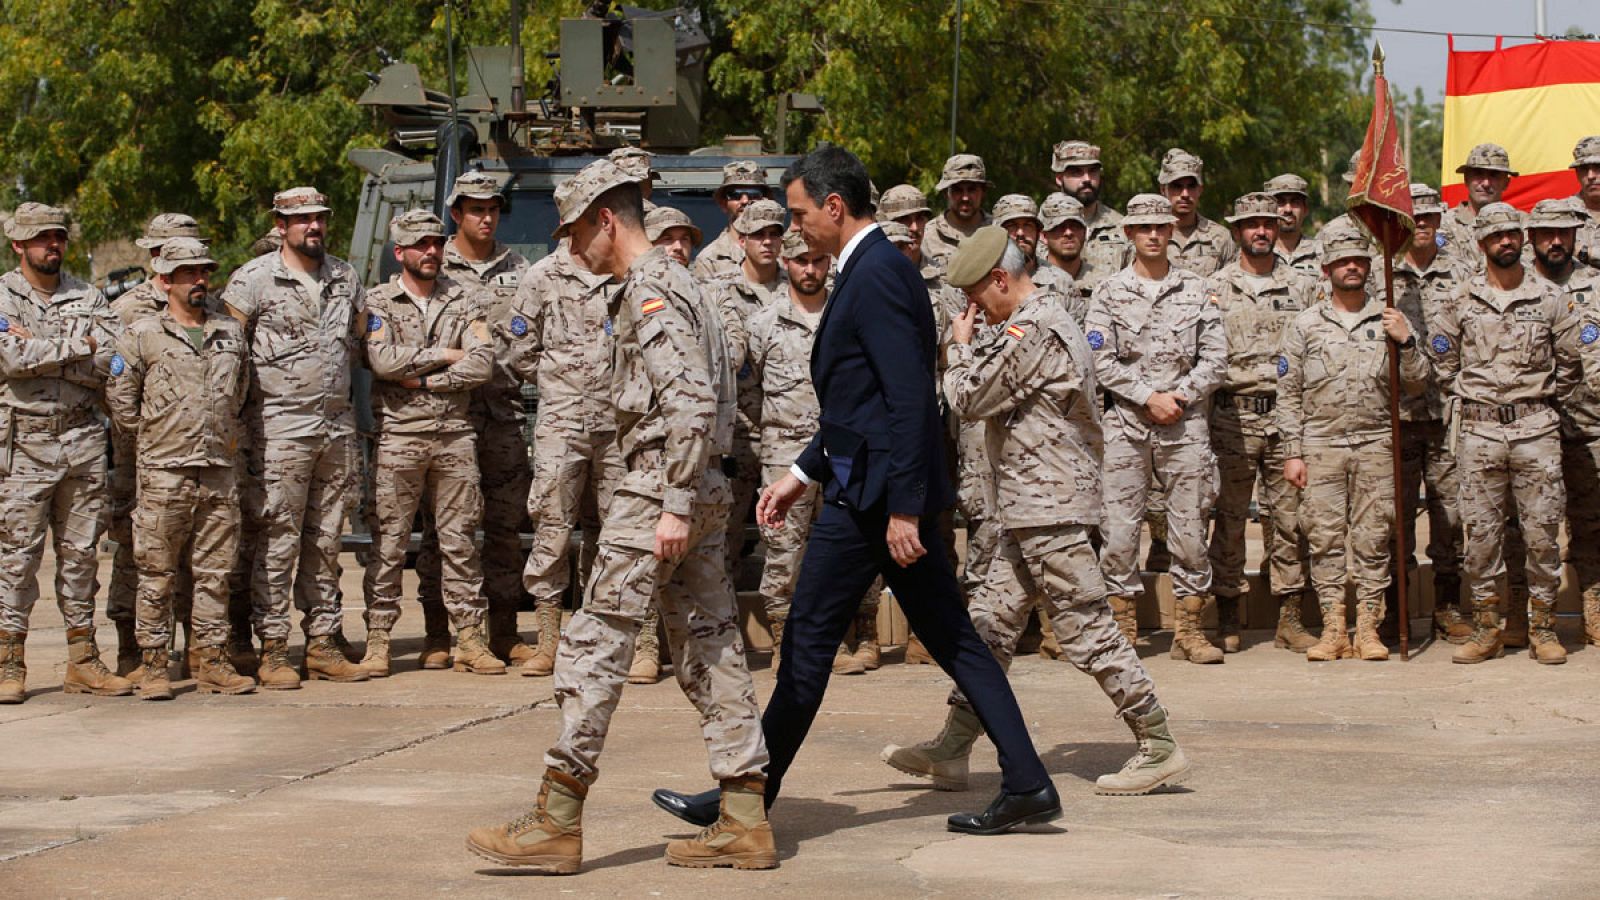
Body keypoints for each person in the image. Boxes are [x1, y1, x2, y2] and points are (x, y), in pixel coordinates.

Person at [651, 144, 1060, 837]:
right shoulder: (869, 270)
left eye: (802, 213)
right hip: (863, 485)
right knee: (951, 640)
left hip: (872, 503)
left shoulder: (876, 276)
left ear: (834, 207)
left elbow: (907, 400)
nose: (796, 228)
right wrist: (798, 473)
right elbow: (859, 407)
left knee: (808, 644)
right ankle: (1026, 781)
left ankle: (744, 798)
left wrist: (904, 506)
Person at [467, 160, 775, 873]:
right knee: (712, 645)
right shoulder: (688, 281)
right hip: (700, 491)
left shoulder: (651, 288)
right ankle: (744, 815)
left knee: (593, 644)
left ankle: (556, 817)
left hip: (658, 492)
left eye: (578, 232)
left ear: (608, 219)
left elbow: (691, 402)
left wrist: (669, 504)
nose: (575, 250)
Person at [883, 226, 1188, 797]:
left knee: (1086, 627)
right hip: (1024, 507)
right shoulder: (1029, 323)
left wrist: (958, 348)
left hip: (1051, 507)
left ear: (1001, 279)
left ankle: (1158, 742)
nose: (974, 310)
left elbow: (970, 399)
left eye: (978, 298)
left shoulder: (1037, 327)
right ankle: (954, 746)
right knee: (990, 626)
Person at [223, 187, 368, 690]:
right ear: (280, 225)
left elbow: (358, 339)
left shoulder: (345, 277)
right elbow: (228, 356)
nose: (313, 227)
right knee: (278, 539)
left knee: (328, 539)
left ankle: (324, 642)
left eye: (319, 218)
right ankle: (274, 647)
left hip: (335, 427)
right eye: (301, 219)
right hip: (279, 429)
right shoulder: (252, 281)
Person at [1427, 203, 1581, 665]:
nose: (1506, 242)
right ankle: (1488, 627)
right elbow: (1442, 363)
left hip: (1537, 431)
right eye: (1496, 236)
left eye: (1512, 234)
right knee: (1482, 538)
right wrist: (1479, 397)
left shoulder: (1551, 297)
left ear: (1523, 238)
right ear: (1481, 244)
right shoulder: (1460, 300)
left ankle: (1542, 628)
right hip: (1479, 431)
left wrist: (1537, 400)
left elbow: (1571, 364)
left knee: (1541, 536)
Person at [106, 238, 257, 698]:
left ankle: (212, 660)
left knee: (215, 573)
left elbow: (243, 394)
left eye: (204, 272)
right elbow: (120, 399)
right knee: (157, 572)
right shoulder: (141, 334)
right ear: (166, 279)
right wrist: (156, 437)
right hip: (164, 471)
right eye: (188, 273)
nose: (199, 280)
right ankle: (153, 663)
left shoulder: (228, 332)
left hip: (217, 469)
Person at [1083, 194, 1226, 663]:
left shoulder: (1196, 289)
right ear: (1128, 234)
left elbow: (1217, 358)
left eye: (1161, 227)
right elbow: (1098, 359)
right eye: (1143, 228)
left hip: (1184, 426)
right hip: (1126, 425)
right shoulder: (1108, 292)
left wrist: (1178, 396)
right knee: (1120, 531)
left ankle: (1189, 629)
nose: (1152, 235)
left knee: (1190, 528)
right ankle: (1123, 626)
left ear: (1171, 233)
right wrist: (1147, 396)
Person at [359, 210, 502, 676]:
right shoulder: (379, 301)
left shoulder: (463, 298)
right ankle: (379, 639)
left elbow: (482, 364)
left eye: (437, 244)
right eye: (421, 245)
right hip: (399, 437)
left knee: (460, 543)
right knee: (390, 543)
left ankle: (470, 639)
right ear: (399, 252)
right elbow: (381, 361)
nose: (432, 252)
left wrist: (425, 384)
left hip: (454, 437)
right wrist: (443, 354)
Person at [1276, 224, 1426, 662]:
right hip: (1320, 443)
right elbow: (1288, 394)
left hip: (1375, 443)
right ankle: (1333, 629)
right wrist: (1292, 452)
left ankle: (1369, 629)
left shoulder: (1389, 319)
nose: (1352, 267)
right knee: (1323, 538)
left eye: (1359, 260)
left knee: (1374, 537)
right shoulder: (1304, 325)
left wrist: (1407, 341)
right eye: (1343, 261)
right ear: (1327, 270)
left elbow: (1417, 383)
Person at [0, 203, 125, 704]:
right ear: (18, 246)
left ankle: (83, 661)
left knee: (81, 558)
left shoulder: (86, 294)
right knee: (17, 559)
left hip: (81, 442)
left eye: (58, 237)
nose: (52, 245)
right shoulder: (3, 297)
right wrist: (79, 344)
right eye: (41, 239)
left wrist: (45, 349)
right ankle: (9, 662)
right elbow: (10, 358)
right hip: (24, 445)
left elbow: (110, 362)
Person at [503, 219, 625, 678]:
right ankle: (548, 641)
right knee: (552, 525)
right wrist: (561, 383)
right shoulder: (541, 276)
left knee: (612, 531)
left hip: (616, 424)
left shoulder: (622, 272)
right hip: (562, 424)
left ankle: (597, 634)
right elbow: (518, 349)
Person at [421, 171, 533, 668]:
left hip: (506, 413)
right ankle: (439, 633)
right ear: (456, 213)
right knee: (444, 531)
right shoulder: (431, 262)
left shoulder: (520, 267)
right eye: (475, 209)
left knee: (507, 527)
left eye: (492, 209)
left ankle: (505, 629)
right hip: (448, 416)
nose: (486, 218)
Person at [1206, 193, 1317, 654]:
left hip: (1287, 417)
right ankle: (1228, 612)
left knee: (1290, 518)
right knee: (1229, 519)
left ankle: (1289, 617)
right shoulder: (1213, 287)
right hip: (1231, 417)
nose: (1261, 232)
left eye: (1268, 224)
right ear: (1237, 232)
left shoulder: (1304, 286)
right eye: (1251, 225)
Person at [745, 232, 833, 669]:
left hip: (841, 453)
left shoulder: (844, 314)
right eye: (802, 261)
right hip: (784, 455)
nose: (810, 270)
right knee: (782, 550)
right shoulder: (763, 324)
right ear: (786, 260)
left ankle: (854, 637)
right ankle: (783, 642)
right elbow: (748, 393)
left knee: (839, 547)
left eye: (818, 260)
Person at [1393, 185, 1472, 643]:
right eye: (1413, 217)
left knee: (1450, 517)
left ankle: (1446, 604)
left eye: (1429, 217)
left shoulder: (1461, 274)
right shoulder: (1382, 273)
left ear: (1441, 221)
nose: (1421, 223)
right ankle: (1396, 609)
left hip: (1445, 414)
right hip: (1397, 416)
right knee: (1396, 519)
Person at [1527, 198, 1600, 647]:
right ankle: (1533, 618)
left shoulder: (1594, 283)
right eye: (1547, 233)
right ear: (1531, 236)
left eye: (1565, 233)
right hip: (1531, 428)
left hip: (1589, 425)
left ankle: (1593, 609)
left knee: (1591, 525)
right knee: (1532, 529)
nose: (1557, 241)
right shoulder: (1512, 284)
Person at [1051, 140, 1130, 274]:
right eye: (1077, 172)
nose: (1087, 179)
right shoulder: (1041, 228)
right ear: (1059, 178)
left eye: (1093, 171)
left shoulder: (1122, 226)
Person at [1159, 148, 1236, 277]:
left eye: (1191, 186)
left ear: (1200, 189)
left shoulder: (1220, 237)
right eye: (1177, 186)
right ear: (1163, 189)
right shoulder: (1149, 236)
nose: (1185, 194)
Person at [695, 160, 770, 280]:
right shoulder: (709, 259)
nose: (745, 201)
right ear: (724, 204)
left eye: (753, 194)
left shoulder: (784, 252)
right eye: (735, 195)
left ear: (766, 200)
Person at [1441, 143, 1517, 262]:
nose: (1486, 183)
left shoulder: (1521, 226)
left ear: (1506, 183)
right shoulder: (1443, 225)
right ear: (1466, 179)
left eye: (1494, 175)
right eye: (1478, 174)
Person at [922, 154, 993, 270]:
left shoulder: (998, 231)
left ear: (983, 192)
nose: (965, 197)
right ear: (946, 193)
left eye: (972, 189)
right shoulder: (927, 236)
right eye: (957, 190)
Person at [1264, 174, 1321, 276]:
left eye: (1295, 202)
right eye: (1280, 202)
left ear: (1305, 209)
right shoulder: (1255, 253)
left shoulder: (1323, 253)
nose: (1288, 209)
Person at [1568, 136, 1600, 266]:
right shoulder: (1559, 213)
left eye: (1598, 167)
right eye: (1584, 169)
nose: (1591, 176)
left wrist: (1584, 253)